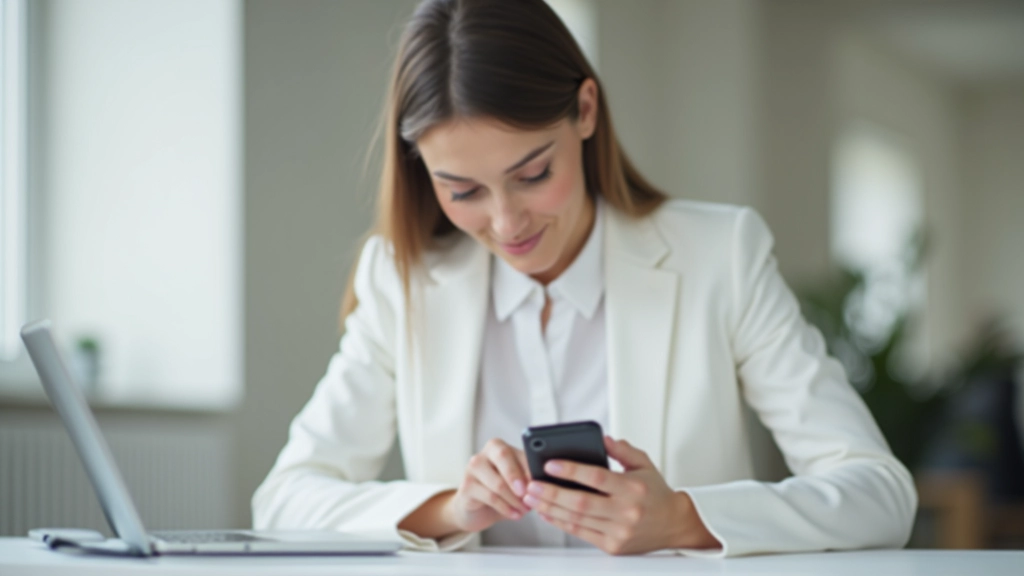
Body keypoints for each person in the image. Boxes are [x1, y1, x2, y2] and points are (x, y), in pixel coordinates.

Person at [252, 0, 917, 557]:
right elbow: (283, 500)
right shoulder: (404, 285)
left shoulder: (722, 257)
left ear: (587, 110)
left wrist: (680, 520)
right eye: (463, 190)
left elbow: (880, 494)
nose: (506, 222)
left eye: (532, 174)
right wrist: (451, 510)